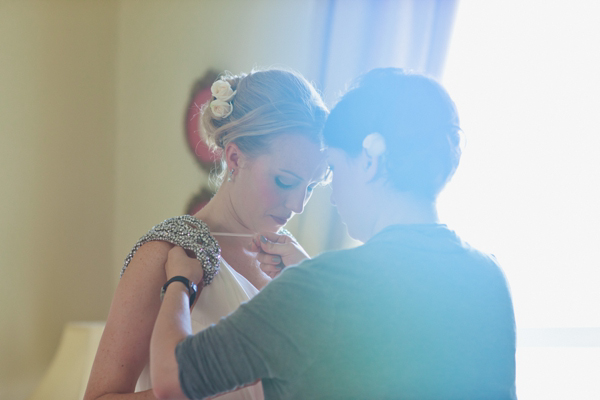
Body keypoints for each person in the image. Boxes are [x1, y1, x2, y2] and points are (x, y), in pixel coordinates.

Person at [150, 68, 517, 400]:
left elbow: (171, 380)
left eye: (335, 169)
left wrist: (180, 282)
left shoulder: (319, 289)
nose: (334, 196)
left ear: (370, 162)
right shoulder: (488, 277)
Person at [84, 68, 329, 400]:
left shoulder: (290, 261)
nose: (298, 205)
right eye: (285, 181)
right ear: (235, 157)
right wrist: (202, 386)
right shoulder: (166, 254)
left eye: (311, 186)